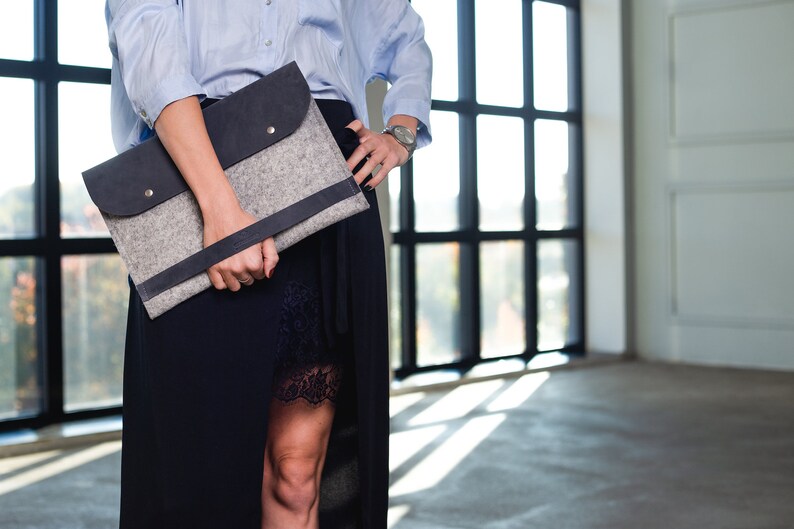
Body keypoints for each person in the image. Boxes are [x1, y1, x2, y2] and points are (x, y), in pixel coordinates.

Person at [105, 1, 432, 528]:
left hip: (322, 169)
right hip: (195, 166)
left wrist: (400, 131)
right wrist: (219, 208)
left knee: (299, 471)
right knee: (197, 480)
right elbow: (149, 49)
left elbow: (404, 37)